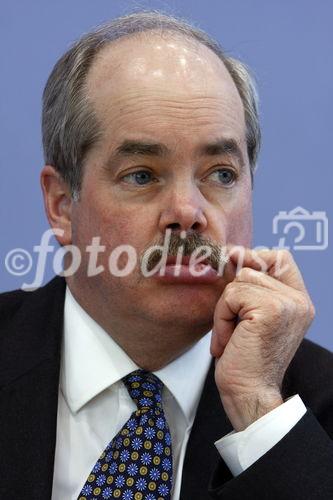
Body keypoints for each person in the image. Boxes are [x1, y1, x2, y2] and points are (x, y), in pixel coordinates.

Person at [1, 10, 333, 500]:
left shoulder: (312, 408)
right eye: (142, 174)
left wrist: (258, 409)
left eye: (221, 174)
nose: (188, 213)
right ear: (61, 205)